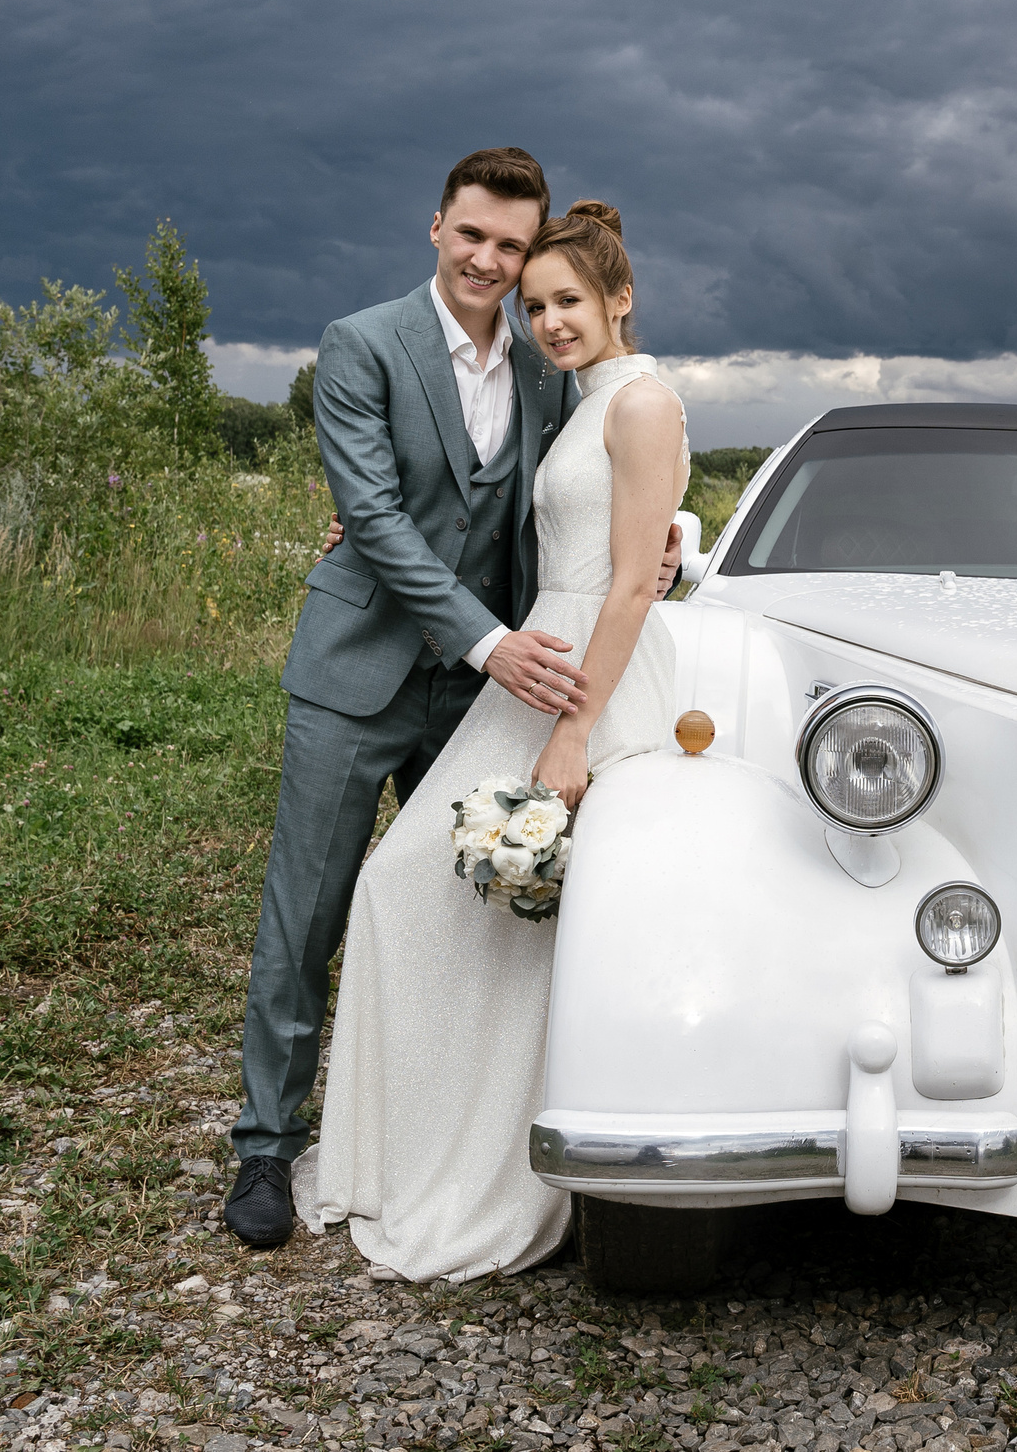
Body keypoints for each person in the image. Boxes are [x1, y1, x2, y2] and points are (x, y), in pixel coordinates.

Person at [224, 153, 676, 1251]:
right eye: (473, 237)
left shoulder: (546, 372)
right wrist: (489, 643)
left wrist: (665, 553)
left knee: (461, 921)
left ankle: (437, 1140)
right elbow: (374, 519)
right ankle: (265, 1147)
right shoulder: (361, 343)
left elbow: (574, 508)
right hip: (369, 673)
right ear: (437, 228)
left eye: (512, 250)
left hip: (492, 696)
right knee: (315, 909)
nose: (490, 262)